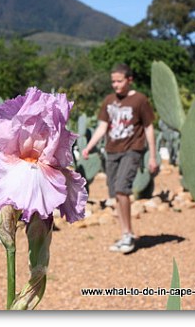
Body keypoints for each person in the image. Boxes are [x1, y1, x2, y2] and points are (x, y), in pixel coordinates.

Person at [82, 63, 157, 254]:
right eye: (113, 82)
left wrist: (153, 156)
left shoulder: (140, 100)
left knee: (123, 189)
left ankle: (128, 234)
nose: (116, 85)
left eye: (119, 81)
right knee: (115, 192)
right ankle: (125, 233)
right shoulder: (109, 101)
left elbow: (148, 127)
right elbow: (102, 127)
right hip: (112, 150)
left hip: (132, 150)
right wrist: (89, 147)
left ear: (129, 80)